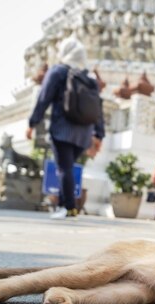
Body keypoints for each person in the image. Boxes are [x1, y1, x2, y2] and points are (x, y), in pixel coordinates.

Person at [27, 36, 104, 220]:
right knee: (67, 167)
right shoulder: (89, 78)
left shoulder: (58, 71)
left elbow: (44, 98)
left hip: (63, 129)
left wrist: (32, 123)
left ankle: (68, 207)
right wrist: (99, 134)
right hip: (83, 134)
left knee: (64, 168)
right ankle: (64, 205)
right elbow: (98, 108)